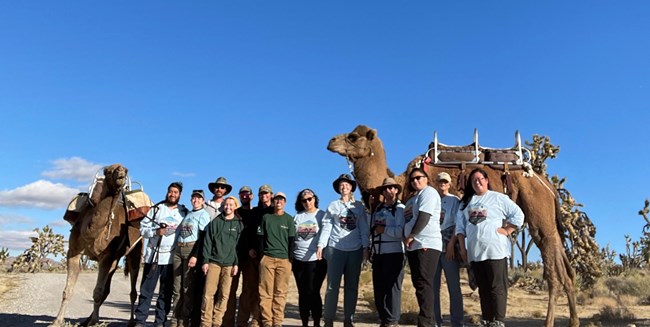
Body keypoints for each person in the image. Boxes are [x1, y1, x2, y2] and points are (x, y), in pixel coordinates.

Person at [456, 168, 524, 327]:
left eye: (480, 178)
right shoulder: (466, 203)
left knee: (497, 287)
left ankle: (498, 320)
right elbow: (460, 228)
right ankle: (487, 318)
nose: (477, 182)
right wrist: (463, 249)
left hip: (495, 250)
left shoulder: (498, 198)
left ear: (487, 180)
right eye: (473, 180)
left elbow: (518, 214)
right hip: (475, 252)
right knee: (483, 288)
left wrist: (508, 230)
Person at [316, 174, 370, 327]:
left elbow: (363, 228)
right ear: (338, 188)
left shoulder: (358, 206)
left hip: (355, 249)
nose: (344, 186)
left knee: (351, 286)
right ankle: (328, 319)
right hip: (336, 248)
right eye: (341, 184)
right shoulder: (333, 206)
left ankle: (348, 319)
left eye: (347, 184)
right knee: (332, 286)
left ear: (352, 187)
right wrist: (321, 245)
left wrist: (365, 247)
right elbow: (327, 227)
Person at [134, 182, 188, 327]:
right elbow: (142, 229)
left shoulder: (184, 212)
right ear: (167, 192)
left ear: (180, 195)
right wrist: (155, 232)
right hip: (154, 257)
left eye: (176, 192)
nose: (172, 194)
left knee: (166, 293)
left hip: (171, 259)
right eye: (171, 191)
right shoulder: (156, 209)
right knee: (146, 291)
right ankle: (140, 321)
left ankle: (160, 322)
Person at [403, 168, 442, 327]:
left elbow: (424, 216)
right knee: (419, 283)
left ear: (426, 178)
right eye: (412, 179)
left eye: (419, 177)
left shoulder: (429, 193)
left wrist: (411, 235)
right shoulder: (413, 198)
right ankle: (427, 319)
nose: (415, 181)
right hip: (414, 245)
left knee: (424, 283)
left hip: (426, 242)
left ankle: (426, 322)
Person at [201, 196, 243, 327]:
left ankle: (217, 322)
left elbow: (238, 246)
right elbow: (208, 242)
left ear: (235, 206)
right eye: (226, 204)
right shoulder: (216, 222)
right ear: (223, 206)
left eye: (231, 205)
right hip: (214, 262)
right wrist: (205, 261)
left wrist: (236, 264)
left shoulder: (238, 224)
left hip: (229, 264)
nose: (228, 207)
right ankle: (206, 322)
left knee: (224, 295)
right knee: (208, 294)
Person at [171, 189, 211, 327]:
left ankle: (184, 320)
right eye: (194, 198)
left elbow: (203, 237)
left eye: (199, 198)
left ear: (203, 201)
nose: (196, 200)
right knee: (177, 288)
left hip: (191, 248)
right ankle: (174, 319)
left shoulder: (203, 215)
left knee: (187, 288)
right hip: (179, 248)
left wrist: (195, 255)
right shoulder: (187, 214)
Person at [257, 192, 296, 327]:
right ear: (273, 201)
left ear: (285, 202)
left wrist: (289, 259)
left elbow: (292, 241)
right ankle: (267, 321)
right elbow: (260, 238)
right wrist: (262, 256)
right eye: (277, 199)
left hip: (284, 260)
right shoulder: (266, 217)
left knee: (280, 292)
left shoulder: (289, 219)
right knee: (265, 292)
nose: (279, 201)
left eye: (281, 199)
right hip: (267, 258)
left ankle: (277, 321)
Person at [370, 177, 405, 327]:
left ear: (396, 190)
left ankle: (393, 320)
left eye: (391, 188)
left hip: (395, 252)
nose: (388, 191)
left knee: (393, 288)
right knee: (379, 288)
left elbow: (401, 231)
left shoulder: (401, 209)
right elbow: (371, 229)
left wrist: (385, 230)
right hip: (378, 253)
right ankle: (384, 318)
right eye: (386, 189)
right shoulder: (378, 209)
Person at [237, 184, 274, 327]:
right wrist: (250, 248)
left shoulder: (275, 211)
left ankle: (259, 319)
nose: (264, 196)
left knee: (265, 290)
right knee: (249, 289)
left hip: (269, 256)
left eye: (266, 193)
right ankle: (242, 320)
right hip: (252, 256)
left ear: (271, 195)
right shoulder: (255, 212)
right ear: (258, 196)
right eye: (261, 194)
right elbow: (247, 232)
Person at [432, 172, 464, 327]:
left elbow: (459, 224)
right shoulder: (432, 200)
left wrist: (452, 244)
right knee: (433, 287)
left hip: (448, 244)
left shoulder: (454, 201)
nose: (442, 184)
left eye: (445, 182)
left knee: (454, 286)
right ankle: (436, 321)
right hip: (433, 245)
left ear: (449, 184)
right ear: (436, 183)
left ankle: (457, 322)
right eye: (440, 181)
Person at [292, 189, 327, 327]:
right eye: (304, 200)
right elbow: (292, 237)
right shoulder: (297, 217)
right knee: (302, 292)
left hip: (316, 260)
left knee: (313, 291)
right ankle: (305, 322)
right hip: (298, 259)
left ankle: (317, 322)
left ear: (314, 199)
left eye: (309, 199)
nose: (307, 202)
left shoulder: (322, 215)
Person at [223, 185, 255, 327]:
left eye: (247, 194)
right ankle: (227, 321)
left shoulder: (255, 214)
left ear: (251, 196)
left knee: (247, 291)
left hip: (249, 258)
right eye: (242, 194)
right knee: (230, 290)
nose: (244, 196)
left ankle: (242, 321)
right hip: (233, 255)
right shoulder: (235, 213)